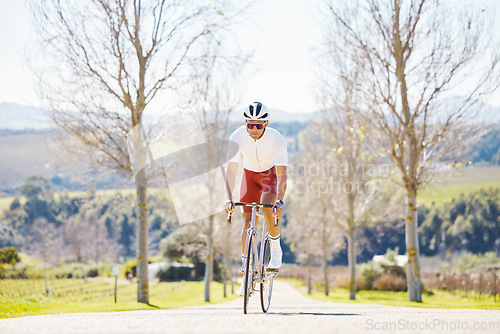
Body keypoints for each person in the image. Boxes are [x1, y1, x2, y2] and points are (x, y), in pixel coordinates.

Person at [224, 102, 288, 296]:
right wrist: (228, 198)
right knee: (246, 223)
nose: (253, 129)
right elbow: (232, 170)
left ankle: (276, 250)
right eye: (249, 124)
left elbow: (282, 174)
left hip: (269, 177)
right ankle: (246, 273)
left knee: (268, 208)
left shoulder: (276, 139)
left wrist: (280, 201)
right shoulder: (236, 137)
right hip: (249, 176)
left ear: (266, 123)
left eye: (258, 125)